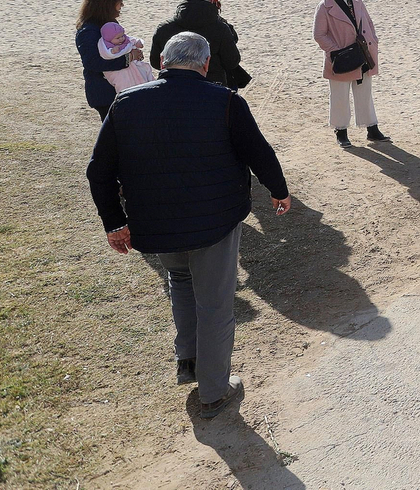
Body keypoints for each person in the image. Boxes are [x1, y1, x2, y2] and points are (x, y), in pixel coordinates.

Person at [86, 31, 291, 421]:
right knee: (215, 304)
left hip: (157, 221)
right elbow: (259, 153)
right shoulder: (226, 102)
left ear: (162, 61)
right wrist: (278, 191)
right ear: (206, 64)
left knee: (179, 282)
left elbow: (99, 171)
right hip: (214, 221)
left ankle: (190, 361)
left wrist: (114, 222)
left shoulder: (127, 103)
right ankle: (213, 392)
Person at [313, 0, 386, 146]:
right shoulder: (325, 5)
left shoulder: (357, 0)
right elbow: (319, 34)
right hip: (341, 58)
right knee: (339, 96)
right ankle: (341, 131)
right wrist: (336, 51)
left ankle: (372, 128)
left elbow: (368, 22)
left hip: (362, 54)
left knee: (365, 92)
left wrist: (373, 40)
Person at [150, 0, 244, 90]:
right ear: (212, 0)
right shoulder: (220, 28)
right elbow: (232, 61)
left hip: (172, 86)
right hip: (212, 87)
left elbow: (155, 62)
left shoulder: (164, 28)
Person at [75, 0, 142, 118]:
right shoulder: (89, 31)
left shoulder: (108, 23)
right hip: (105, 93)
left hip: (120, 89)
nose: (122, 5)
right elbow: (93, 63)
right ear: (107, 4)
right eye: (119, 1)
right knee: (115, 136)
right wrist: (129, 58)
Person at [98, 20, 155, 94]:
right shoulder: (105, 45)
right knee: (125, 84)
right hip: (118, 72)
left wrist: (137, 43)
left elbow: (131, 40)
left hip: (133, 66)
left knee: (143, 74)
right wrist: (112, 51)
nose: (121, 39)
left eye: (122, 36)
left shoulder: (124, 40)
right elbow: (106, 55)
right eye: (118, 38)